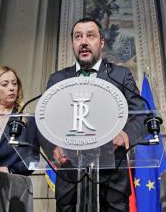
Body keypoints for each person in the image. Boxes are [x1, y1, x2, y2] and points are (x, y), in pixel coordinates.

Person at [46, 18, 146, 211]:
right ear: (73, 44)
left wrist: (125, 134)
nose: (83, 41)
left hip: (112, 177)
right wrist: (53, 146)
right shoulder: (57, 79)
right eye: (78, 37)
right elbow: (46, 122)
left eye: (90, 36)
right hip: (70, 177)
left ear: (101, 42)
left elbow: (140, 115)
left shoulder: (120, 75)